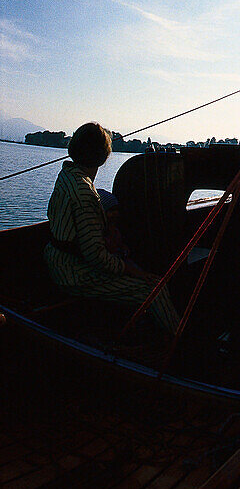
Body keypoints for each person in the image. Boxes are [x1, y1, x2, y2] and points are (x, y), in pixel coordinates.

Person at [44, 122, 179, 335]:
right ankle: (179, 344)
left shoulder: (67, 175)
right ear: (104, 157)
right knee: (153, 289)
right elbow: (95, 257)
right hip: (74, 274)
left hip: (57, 261)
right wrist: (137, 273)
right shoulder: (85, 193)